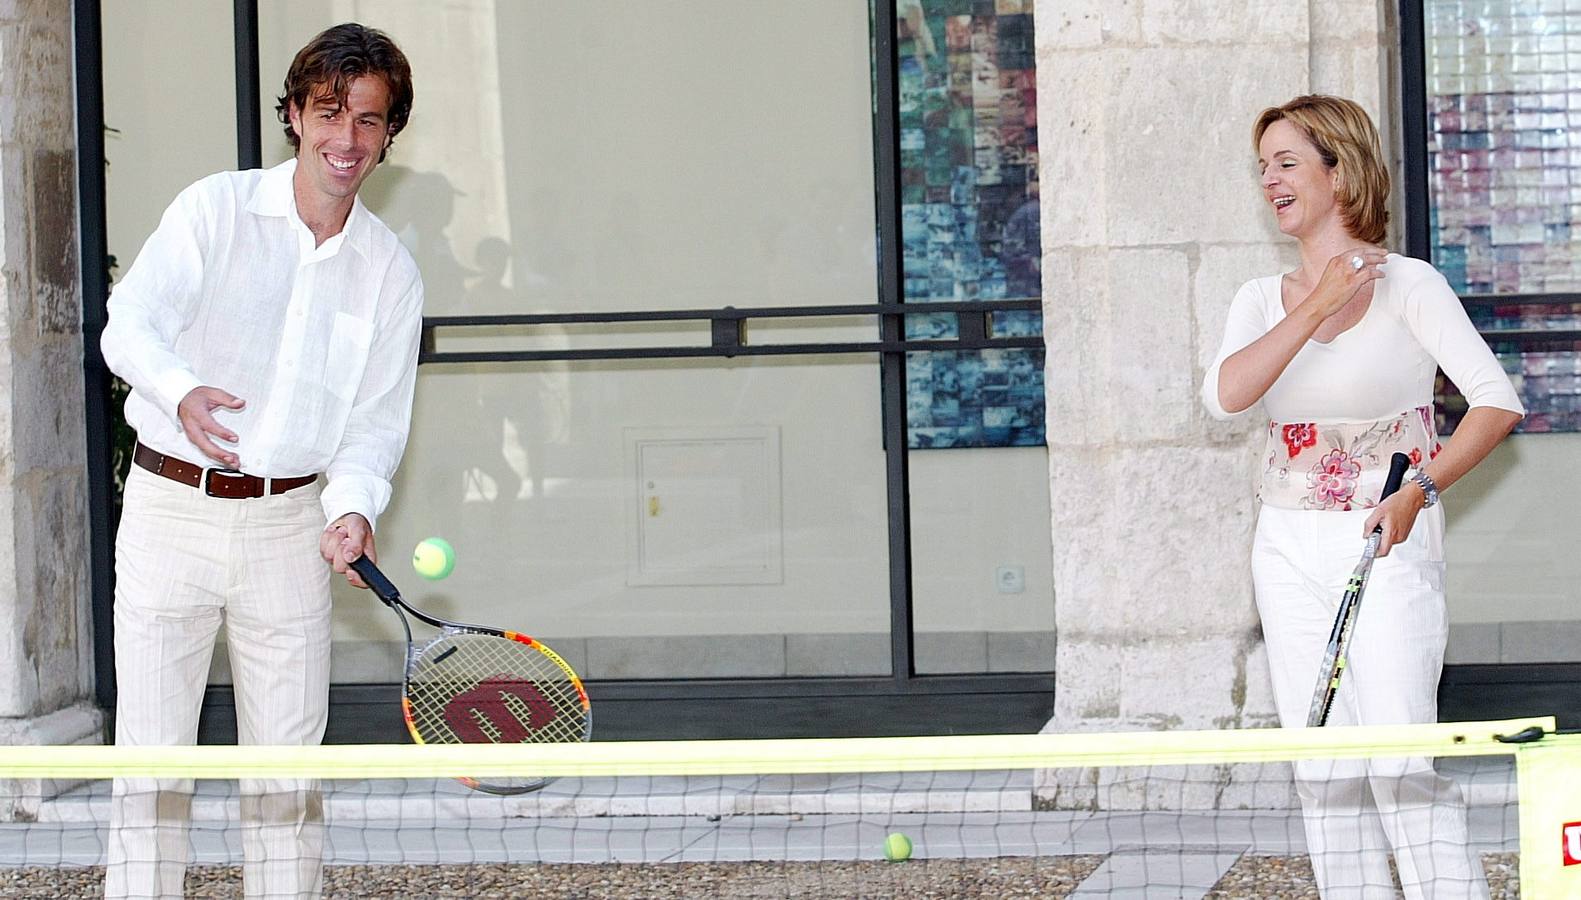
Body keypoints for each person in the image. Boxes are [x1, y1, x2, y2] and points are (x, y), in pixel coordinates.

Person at [99, 23, 421, 899]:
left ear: (389, 133)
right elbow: (128, 325)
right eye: (328, 113)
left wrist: (352, 508)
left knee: (286, 779)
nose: (346, 139)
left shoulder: (390, 272)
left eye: (367, 120)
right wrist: (179, 390)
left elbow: (375, 422)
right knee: (151, 768)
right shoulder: (214, 208)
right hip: (170, 514)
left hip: (291, 529)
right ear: (293, 115)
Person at [1201, 95, 1522, 898]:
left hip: (1389, 540)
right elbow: (1226, 396)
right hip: (1285, 546)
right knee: (1322, 766)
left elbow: (1495, 402)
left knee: (1401, 760)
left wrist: (1419, 488)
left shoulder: (1410, 285)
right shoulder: (1256, 299)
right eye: (1262, 167)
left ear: (1337, 171)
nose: (1268, 181)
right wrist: (1312, 301)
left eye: (1285, 163)